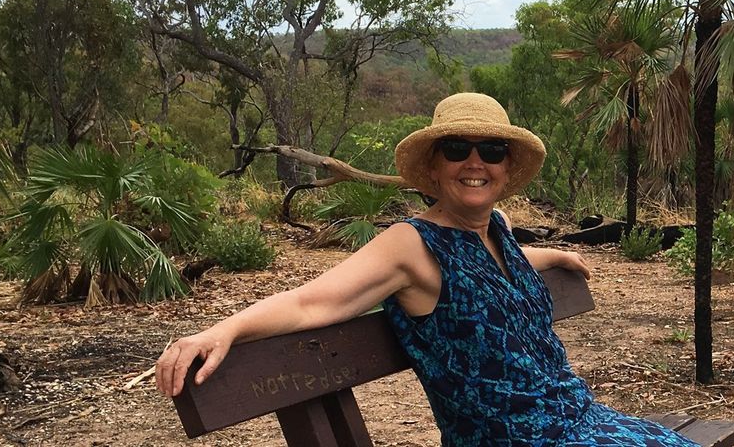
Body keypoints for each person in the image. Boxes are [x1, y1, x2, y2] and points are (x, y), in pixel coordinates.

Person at [155, 93, 699, 446]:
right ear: (434, 169)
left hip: (573, 416)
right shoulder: (409, 246)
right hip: (508, 438)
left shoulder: (498, 230)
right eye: (457, 148)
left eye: (491, 150)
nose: (475, 161)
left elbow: (490, 273)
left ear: (507, 169)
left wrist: (553, 255)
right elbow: (312, 300)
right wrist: (222, 329)